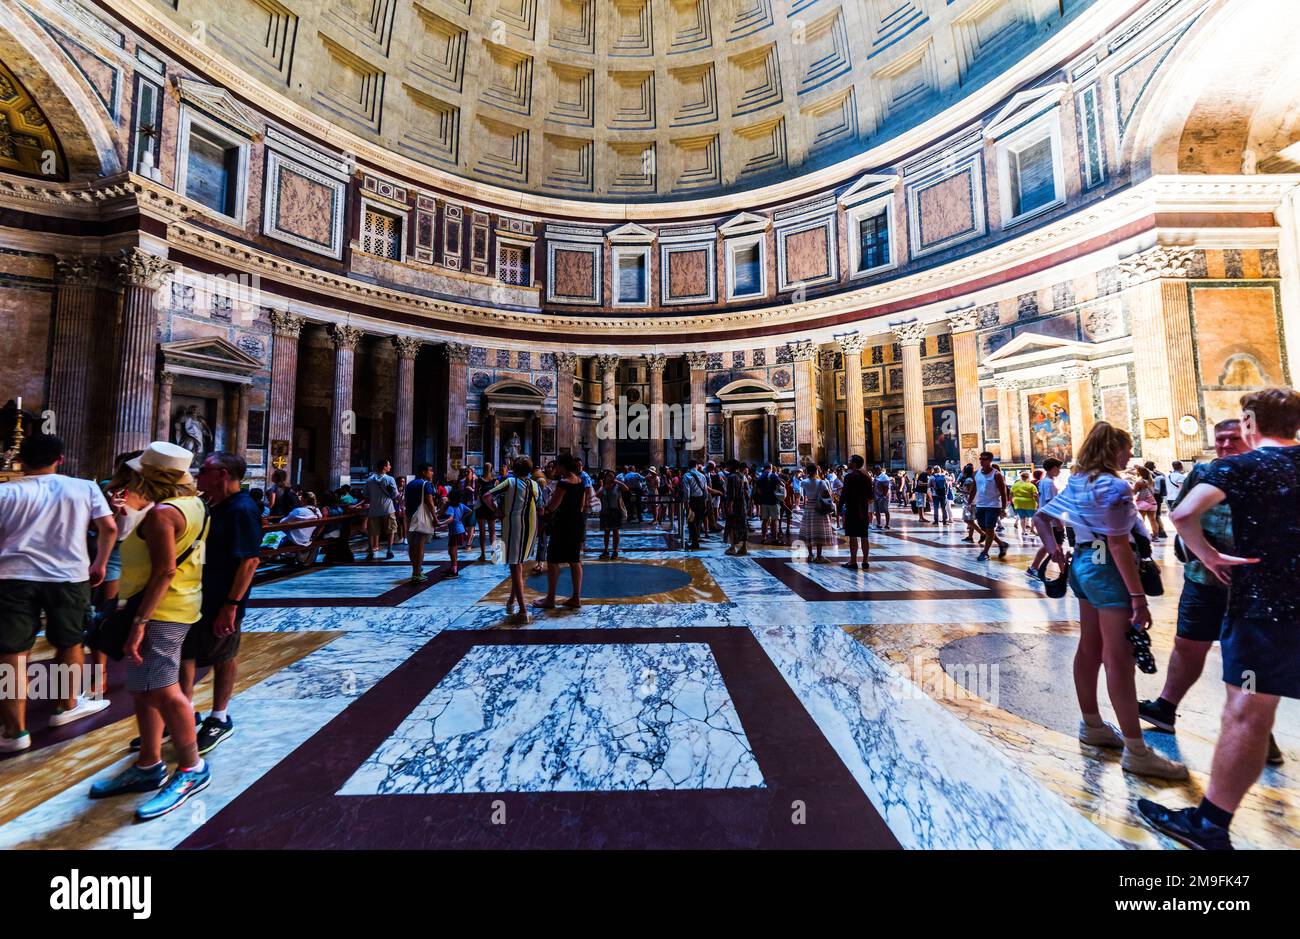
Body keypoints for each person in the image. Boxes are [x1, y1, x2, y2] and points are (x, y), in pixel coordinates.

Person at [1139, 389, 1300, 849]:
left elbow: (1184, 513)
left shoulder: (1242, 467)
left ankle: (1210, 824)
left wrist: (1208, 556)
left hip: (1263, 610)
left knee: (1246, 712)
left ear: (1249, 421)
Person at [1033, 423, 1187, 781]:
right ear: (1111, 450)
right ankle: (1136, 750)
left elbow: (1043, 518)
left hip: (1084, 563)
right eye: (1126, 448)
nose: (1129, 455)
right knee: (1119, 657)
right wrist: (1138, 598)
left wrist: (1056, 551)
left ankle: (1092, 725)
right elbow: (1118, 545)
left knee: (1090, 647)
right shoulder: (1113, 485)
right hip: (1107, 569)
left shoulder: (1078, 481)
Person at [1136, 420, 1283, 761]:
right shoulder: (1202, 473)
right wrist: (1202, 551)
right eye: (1220, 439)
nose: (1226, 445)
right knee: (1187, 644)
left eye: (1234, 438)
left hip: (1251, 586)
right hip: (1202, 579)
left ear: (1251, 439)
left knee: (1248, 658)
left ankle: (1260, 731)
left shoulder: (1267, 474)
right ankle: (1165, 707)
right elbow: (1180, 513)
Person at [88, 442, 214, 820]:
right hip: (175, 603)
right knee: (142, 689)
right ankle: (149, 764)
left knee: (161, 688)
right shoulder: (191, 505)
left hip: (161, 610)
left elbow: (165, 571)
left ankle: (192, 769)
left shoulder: (163, 513)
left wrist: (139, 623)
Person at [0, 434, 117, 753]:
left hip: (12, 576)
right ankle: (66, 706)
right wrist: (100, 563)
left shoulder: (4, 491)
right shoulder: (83, 487)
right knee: (70, 641)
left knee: (12, 651)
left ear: (20, 460)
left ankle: (14, 731)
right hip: (68, 575)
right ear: (61, 459)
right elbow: (109, 527)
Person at [176, 451, 261, 756]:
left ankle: (219, 716)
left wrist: (232, 604)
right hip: (197, 594)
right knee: (184, 653)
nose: (198, 475)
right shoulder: (212, 504)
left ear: (223, 474)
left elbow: (250, 560)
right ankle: (182, 715)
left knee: (224, 653)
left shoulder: (242, 509)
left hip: (224, 597)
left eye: (204, 470)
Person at [483, 457, 540, 624]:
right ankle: (511, 601)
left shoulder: (510, 482)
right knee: (519, 564)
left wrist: (497, 511)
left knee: (514, 565)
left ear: (514, 468)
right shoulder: (534, 484)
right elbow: (540, 504)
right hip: (531, 524)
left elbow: (487, 495)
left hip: (514, 524)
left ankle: (523, 611)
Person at [535, 454, 589, 610]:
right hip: (576, 523)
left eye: (557, 465)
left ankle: (550, 598)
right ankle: (576, 598)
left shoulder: (563, 483)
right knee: (574, 560)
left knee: (553, 560)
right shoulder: (580, 481)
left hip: (563, 525)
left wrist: (543, 511)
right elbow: (580, 505)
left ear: (563, 466)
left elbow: (553, 505)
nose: (556, 468)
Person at [1027, 458, 1064, 576]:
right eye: (1059, 468)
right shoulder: (1049, 483)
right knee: (1057, 547)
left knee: (1049, 545)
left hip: (1045, 519)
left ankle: (1033, 568)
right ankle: (1064, 573)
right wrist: (1058, 521)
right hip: (1050, 520)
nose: (1060, 471)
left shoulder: (1043, 481)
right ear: (1053, 468)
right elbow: (1051, 504)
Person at [403, 463, 439, 583]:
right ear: (423, 472)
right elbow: (429, 501)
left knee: (412, 545)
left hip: (410, 516)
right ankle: (417, 573)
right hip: (421, 517)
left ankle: (416, 568)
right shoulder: (426, 484)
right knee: (420, 545)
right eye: (430, 471)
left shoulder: (410, 484)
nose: (432, 473)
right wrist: (435, 517)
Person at [972, 452, 1010, 561]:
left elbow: (1003, 493)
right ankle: (1002, 544)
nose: (981, 461)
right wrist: (970, 501)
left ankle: (985, 552)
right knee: (984, 528)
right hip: (980, 505)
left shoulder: (996, 475)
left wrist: (1003, 509)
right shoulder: (977, 473)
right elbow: (974, 488)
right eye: (980, 459)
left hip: (993, 506)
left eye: (984, 459)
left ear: (990, 461)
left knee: (989, 528)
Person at [840, 455, 872, 570]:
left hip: (852, 509)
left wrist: (839, 508)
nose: (848, 462)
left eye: (850, 461)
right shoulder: (867, 477)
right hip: (863, 510)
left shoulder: (849, 477)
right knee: (864, 536)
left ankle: (853, 561)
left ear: (854, 463)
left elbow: (844, 494)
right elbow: (870, 495)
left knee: (853, 537)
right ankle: (865, 561)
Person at [799, 462, 835, 563]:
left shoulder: (804, 482)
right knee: (819, 532)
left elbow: (805, 491)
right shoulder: (821, 483)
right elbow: (827, 495)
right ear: (816, 471)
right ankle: (819, 556)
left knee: (809, 532)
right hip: (819, 508)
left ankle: (810, 555)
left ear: (807, 471)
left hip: (809, 508)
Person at [364, 459, 398, 561]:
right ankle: (389, 551)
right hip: (387, 508)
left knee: (372, 531)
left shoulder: (369, 480)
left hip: (374, 509)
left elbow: (365, 494)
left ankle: (370, 552)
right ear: (384, 467)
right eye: (389, 465)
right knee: (391, 530)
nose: (390, 467)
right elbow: (395, 494)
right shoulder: (390, 479)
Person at [439, 490, 474, 576]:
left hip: (455, 532)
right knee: (453, 551)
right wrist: (462, 517)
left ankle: (454, 570)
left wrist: (441, 523)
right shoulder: (461, 505)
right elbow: (470, 511)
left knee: (452, 552)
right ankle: (453, 567)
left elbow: (451, 518)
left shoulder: (451, 507)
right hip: (460, 530)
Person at [596, 470, 630, 559]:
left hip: (616, 511)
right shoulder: (603, 487)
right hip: (605, 512)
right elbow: (597, 495)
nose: (610, 478)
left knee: (615, 532)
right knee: (606, 532)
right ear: (605, 477)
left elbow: (626, 488)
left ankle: (615, 551)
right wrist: (604, 486)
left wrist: (617, 482)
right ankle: (606, 550)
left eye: (611, 476)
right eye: (608, 476)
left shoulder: (617, 486)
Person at [722, 460, 751, 556]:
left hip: (734, 504)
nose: (727, 467)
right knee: (743, 525)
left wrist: (729, 505)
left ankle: (732, 547)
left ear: (731, 466)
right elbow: (747, 491)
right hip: (742, 503)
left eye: (728, 465)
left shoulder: (731, 477)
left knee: (730, 525)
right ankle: (744, 547)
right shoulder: (742, 476)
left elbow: (731, 493)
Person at [682, 460, 710, 551]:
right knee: (698, 521)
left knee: (691, 522)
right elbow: (705, 490)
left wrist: (686, 504)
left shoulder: (687, 475)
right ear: (696, 466)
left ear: (689, 466)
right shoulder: (702, 475)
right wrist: (705, 502)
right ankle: (696, 540)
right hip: (701, 500)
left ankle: (695, 543)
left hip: (692, 501)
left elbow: (687, 491)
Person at [754, 462, 782, 545]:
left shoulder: (760, 477)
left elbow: (758, 491)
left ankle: (763, 537)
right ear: (770, 467)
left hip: (764, 501)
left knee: (765, 520)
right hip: (773, 501)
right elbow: (780, 484)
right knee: (774, 520)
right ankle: (775, 538)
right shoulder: (773, 475)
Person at [1010, 470, 1039, 542]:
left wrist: (1012, 501)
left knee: (1022, 517)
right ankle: (1032, 529)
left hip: (1018, 502)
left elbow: (1011, 493)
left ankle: (1023, 531)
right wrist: (1038, 502)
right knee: (1034, 516)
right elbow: (1035, 495)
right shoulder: (1031, 485)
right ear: (1028, 477)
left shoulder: (1015, 485)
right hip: (1029, 502)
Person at [1144, 460, 1169, 539]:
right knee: (1157, 515)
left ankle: (1158, 532)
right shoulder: (1159, 473)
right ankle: (1161, 531)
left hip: (1152, 497)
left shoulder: (1148, 474)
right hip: (1159, 496)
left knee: (1153, 517)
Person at [1133, 466, 1159, 537]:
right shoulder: (1152, 481)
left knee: (1142, 520)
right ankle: (1155, 536)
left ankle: (1143, 535)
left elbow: (1134, 492)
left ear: (1139, 473)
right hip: (1152, 503)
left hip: (1142, 503)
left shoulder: (1139, 482)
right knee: (1153, 520)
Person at [872, 465, 892, 530]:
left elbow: (886, 488)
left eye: (874, 471)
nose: (874, 472)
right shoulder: (876, 476)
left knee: (886, 510)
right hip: (876, 496)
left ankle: (887, 524)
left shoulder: (884, 477)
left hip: (883, 497)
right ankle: (879, 523)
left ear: (878, 470)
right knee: (877, 510)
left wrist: (884, 496)